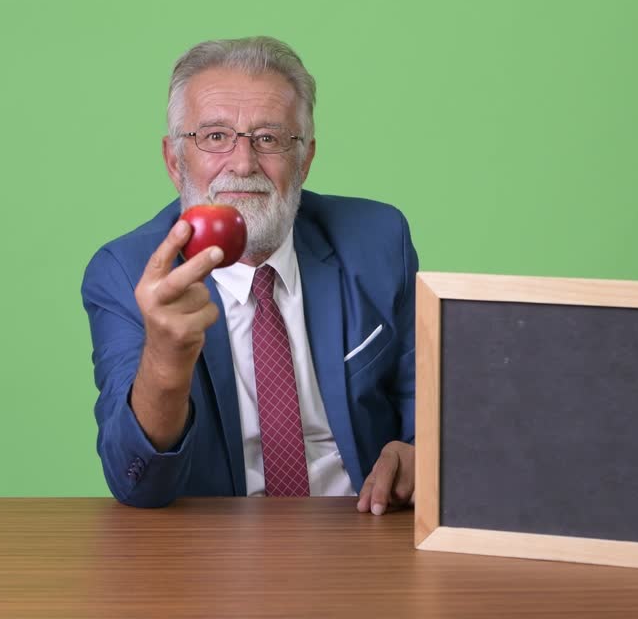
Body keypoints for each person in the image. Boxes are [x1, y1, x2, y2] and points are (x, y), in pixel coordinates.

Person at [81, 36, 417, 513]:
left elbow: (431, 412)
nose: (243, 163)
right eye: (215, 136)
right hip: (212, 555)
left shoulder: (377, 241)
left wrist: (422, 455)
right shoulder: (127, 273)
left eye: (269, 138)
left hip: (362, 532)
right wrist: (166, 359)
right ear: (175, 161)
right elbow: (138, 485)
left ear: (305, 159)